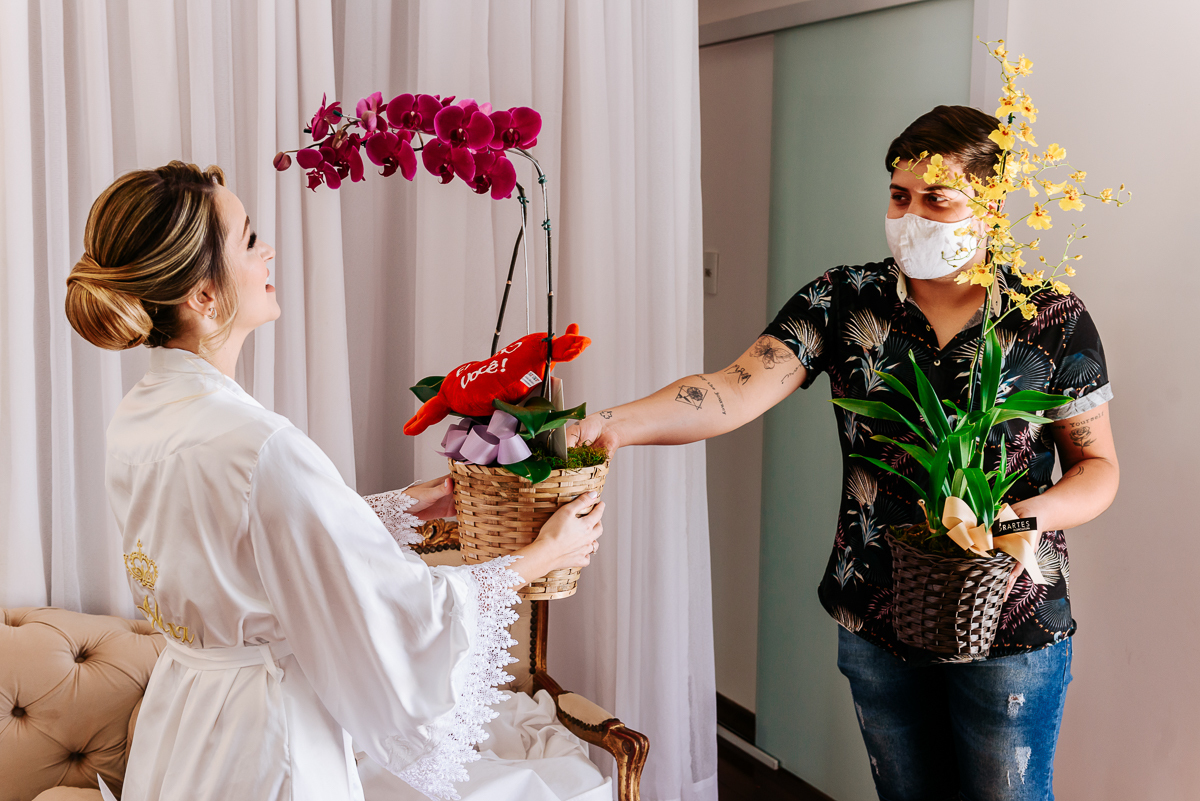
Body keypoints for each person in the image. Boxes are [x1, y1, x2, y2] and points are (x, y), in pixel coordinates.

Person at [568, 106, 1119, 801]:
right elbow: (731, 389)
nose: (911, 215)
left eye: (937, 199)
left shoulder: (1050, 315)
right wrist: (613, 424)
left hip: (1012, 620)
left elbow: (1097, 466)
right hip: (876, 609)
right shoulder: (842, 298)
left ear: (992, 202)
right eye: (899, 196)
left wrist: (1023, 516)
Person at [65, 161, 606, 801]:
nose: (267, 250)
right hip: (265, 735)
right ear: (205, 297)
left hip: (184, 713)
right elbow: (393, 609)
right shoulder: (258, 443)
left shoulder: (141, 414)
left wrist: (402, 506)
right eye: (247, 238)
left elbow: (238, 546)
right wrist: (536, 558)